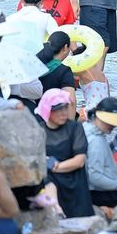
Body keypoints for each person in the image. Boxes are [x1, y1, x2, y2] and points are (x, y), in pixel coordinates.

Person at [36, 88, 93, 218]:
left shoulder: (75, 128)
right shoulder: (39, 130)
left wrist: (53, 167)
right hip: (51, 181)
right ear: (47, 110)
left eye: (65, 108)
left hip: (74, 180)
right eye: (58, 109)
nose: (63, 113)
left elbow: (79, 161)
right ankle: (56, 208)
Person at [83, 102, 117, 209]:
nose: (113, 126)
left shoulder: (86, 128)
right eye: (111, 122)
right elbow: (94, 177)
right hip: (103, 194)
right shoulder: (96, 141)